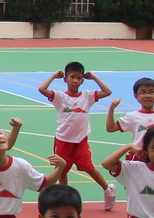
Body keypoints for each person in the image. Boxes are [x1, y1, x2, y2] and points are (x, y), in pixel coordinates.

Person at [37, 61, 115, 207]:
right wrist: (54, 76)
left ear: (82, 80)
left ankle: (108, 189)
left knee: (89, 168)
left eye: (79, 78)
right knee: (62, 171)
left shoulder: (87, 96)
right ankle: (65, 197)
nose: (75, 80)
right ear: (65, 79)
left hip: (80, 141)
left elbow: (107, 92)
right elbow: (41, 89)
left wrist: (94, 77)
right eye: (72, 77)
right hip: (63, 140)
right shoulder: (60, 97)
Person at [104, 77, 154, 154]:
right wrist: (112, 108)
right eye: (143, 92)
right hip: (139, 156)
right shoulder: (132, 116)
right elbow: (111, 128)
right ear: (136, 96)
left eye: (151, 92)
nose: (147, 96)